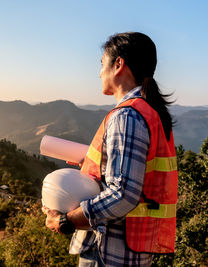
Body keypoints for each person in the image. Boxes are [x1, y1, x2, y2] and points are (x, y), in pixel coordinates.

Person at [43, 32, 178, 267]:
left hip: (108, 252)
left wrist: (66, 221)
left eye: (101, 63)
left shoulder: (127, 116)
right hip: (128, 251)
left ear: (118, 64)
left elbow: (123, 194)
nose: (98, 72)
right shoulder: (147, 111)